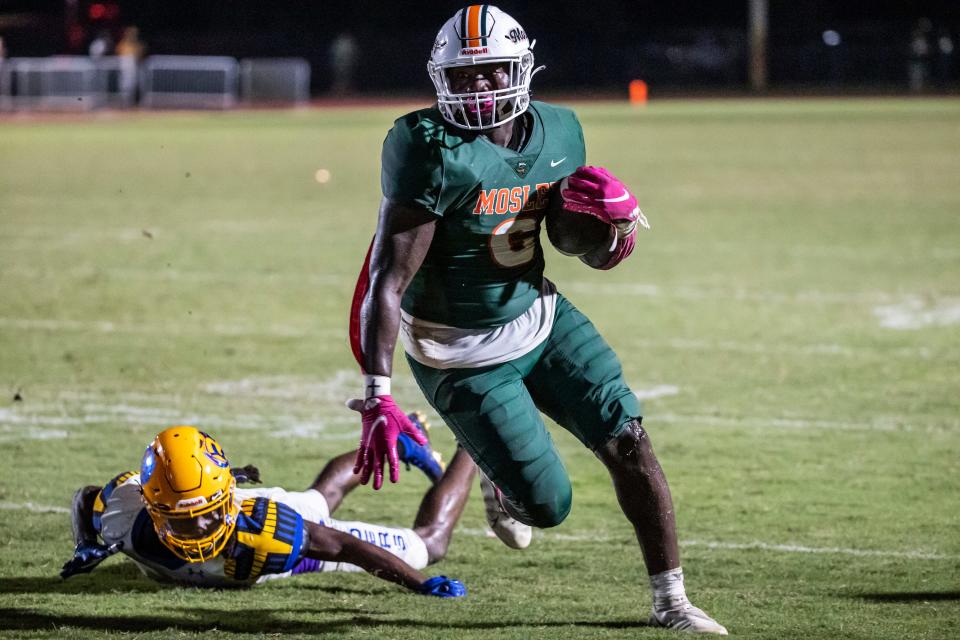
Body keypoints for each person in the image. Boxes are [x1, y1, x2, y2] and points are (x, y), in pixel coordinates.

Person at [347, 5, 727, 634]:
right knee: (549, 507)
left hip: (539, 313)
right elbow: (388, 279)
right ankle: (498, 478)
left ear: (520, 70)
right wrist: (378, 393)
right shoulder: (425, 146)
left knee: (629, 438)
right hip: (459, 348)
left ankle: (672, 602)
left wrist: (612, 232)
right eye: (462, 76)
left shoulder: (561, 132)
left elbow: (577, 243)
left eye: (490, 72)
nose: (477, 88)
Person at [61, 417, 473, 597]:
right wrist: (83, 544)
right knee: (319, 499)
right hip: (245, 527)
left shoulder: (266, 528)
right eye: (183, 519)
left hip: (274, 528)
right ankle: (400, 442)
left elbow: (346, 547)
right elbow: (83, 498)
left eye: (208, 510)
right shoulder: (123, 514)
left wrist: (418, 582)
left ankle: (476, 446)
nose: (202, 527)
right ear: (152, 508)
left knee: (429, 546)